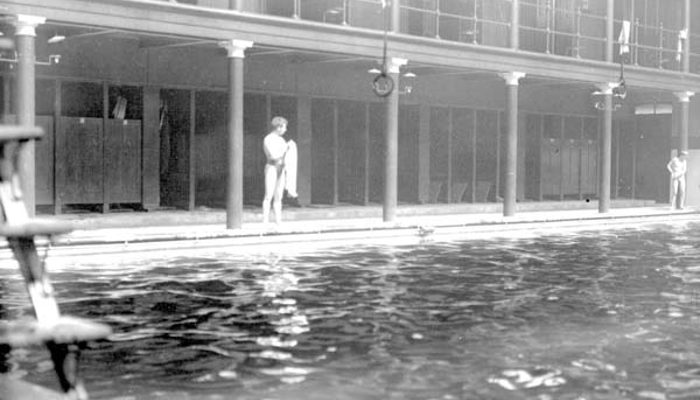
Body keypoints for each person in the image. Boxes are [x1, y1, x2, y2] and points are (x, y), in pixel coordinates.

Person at [262, 116, 297, 225]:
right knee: (269, 195)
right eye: (284, 127)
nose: (285, 130)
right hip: (272, 167)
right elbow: (273, 155)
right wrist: (285, 149)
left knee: (278, 196)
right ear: (278, 127)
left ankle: (278, 221)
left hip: (281, 168)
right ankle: (265, 221)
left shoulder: (281, 140)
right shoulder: (268, 139)